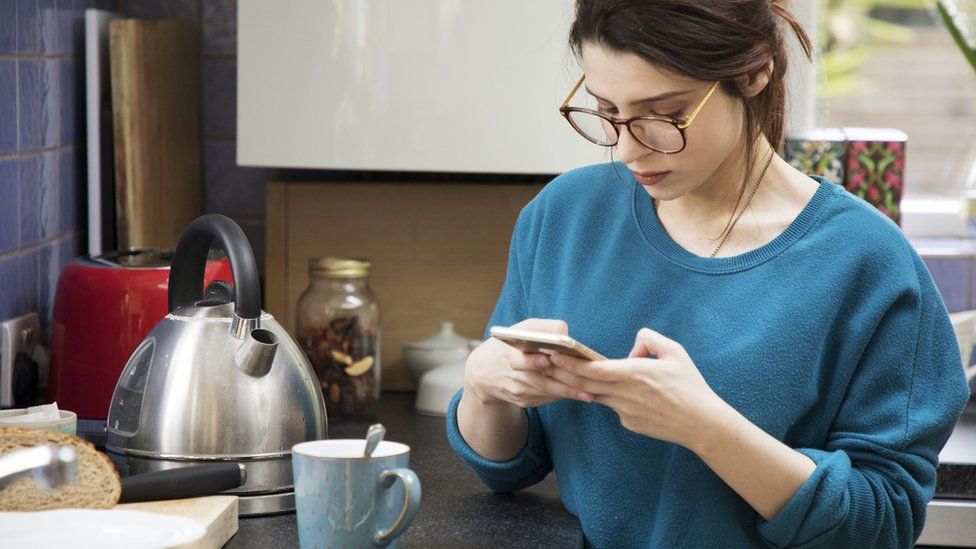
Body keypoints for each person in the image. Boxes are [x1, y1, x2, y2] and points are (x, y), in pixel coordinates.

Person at [444, 1, 972, 547]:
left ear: (753, 72)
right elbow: (507, 467)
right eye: (607, 110)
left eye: (664, 113)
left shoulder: (867, 263)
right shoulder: (565, 216)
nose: (627, 148)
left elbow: (880, 524)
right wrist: (485, 388)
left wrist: (703, 427)